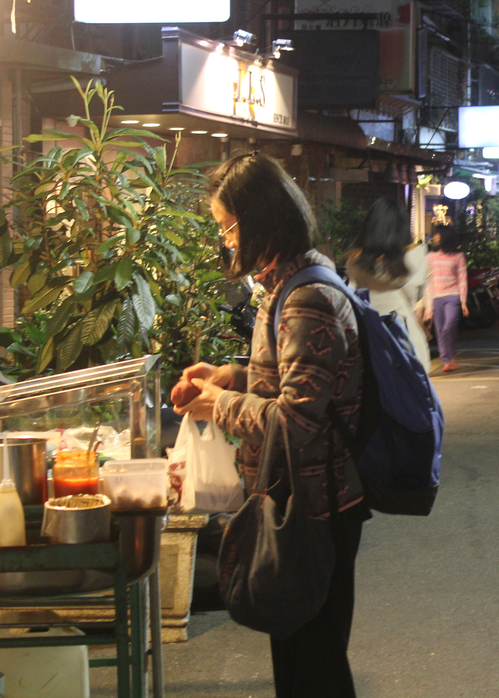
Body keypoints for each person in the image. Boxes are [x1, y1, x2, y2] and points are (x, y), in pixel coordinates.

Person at [173, 152, 366, 698]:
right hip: (300, 495)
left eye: (227, 227)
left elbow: (298, 419)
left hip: (317, 504)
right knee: (302, 656)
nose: (225, 241)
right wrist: (231, 375)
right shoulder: (286, 284)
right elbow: (290, 378)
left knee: (314, 663)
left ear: (257, 221)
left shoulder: (308, 298)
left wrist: (218, 406)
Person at [346, 198, 430, 370]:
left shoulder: (354, 262)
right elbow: (417, 296)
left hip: (367, 338)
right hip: (405, 338)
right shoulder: (416, 257)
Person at [422, 224, 467, 373]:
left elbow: (462, 279)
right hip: (436, 297)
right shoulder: (430, 257)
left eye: (437, 234)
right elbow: (427, 282)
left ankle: (450, 355)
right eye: (434, 235)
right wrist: (428, 308)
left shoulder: (458, 256)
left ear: (445, 236)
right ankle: (447, 360)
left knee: (449, 326)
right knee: (440, 330)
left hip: (452, 296)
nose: (434, 237)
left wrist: (463, 301)